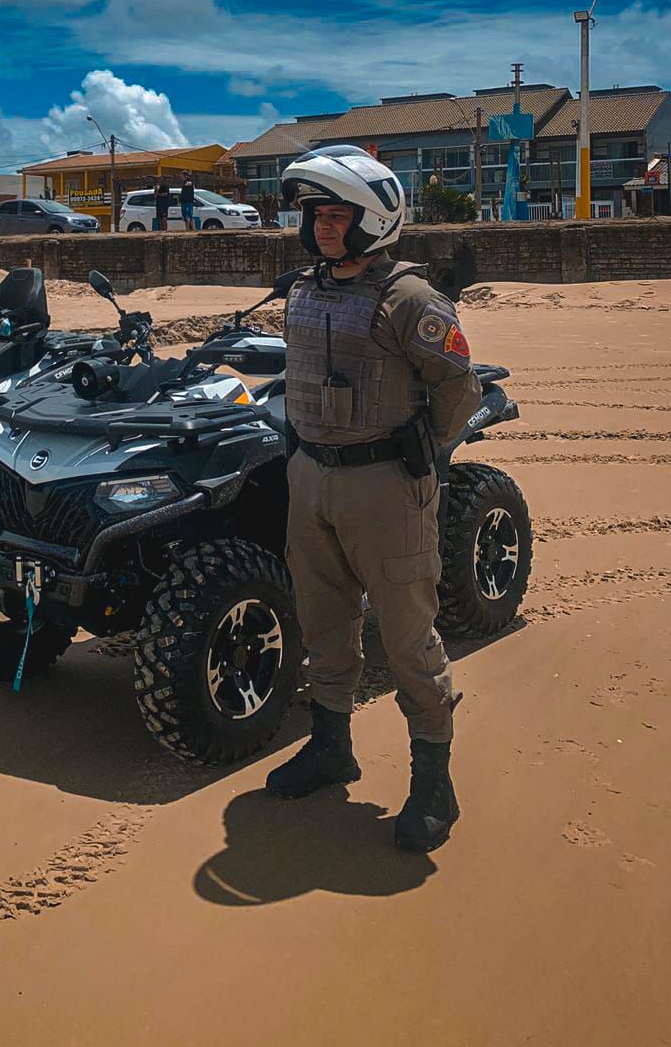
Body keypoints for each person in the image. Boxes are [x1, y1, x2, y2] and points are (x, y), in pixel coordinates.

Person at [266, 144, 481, 853]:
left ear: (373, 219)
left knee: (408, 638)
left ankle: (436, 782)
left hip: (385, 487)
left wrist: (419, 461)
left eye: (337, 215)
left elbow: (457, 390)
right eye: (314, 215)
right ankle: (332, 747)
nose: (324, 228)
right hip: (311, 480)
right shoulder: (304, 289)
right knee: (323, 623)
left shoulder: (410, 299)